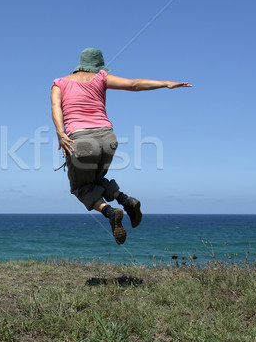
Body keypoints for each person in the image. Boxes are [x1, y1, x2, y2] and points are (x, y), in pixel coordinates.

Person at [51, 48, 191, 244]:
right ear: (98, 65)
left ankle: (110, 212)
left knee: (81, 187)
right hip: (107, 138)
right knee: (97, 179)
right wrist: (165, 83)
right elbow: (134, 85)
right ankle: (125, 200)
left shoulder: (59, 83)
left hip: (80, 140)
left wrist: (60, 133)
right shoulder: (101, 77)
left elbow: (56, 106)